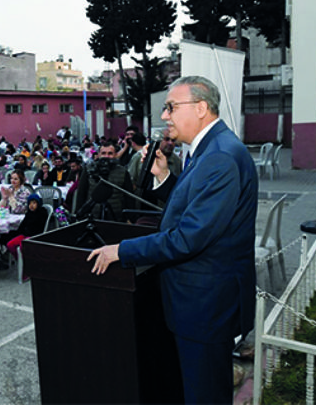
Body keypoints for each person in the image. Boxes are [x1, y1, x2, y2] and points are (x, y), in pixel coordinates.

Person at [87, 76, 258, 404]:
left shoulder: (221, 156)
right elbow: (196, 204)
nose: (164, 116)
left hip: (205, 307)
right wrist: (166, 179)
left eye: (170, 108)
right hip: (200, 302)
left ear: (201, 108)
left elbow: (189, 238)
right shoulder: (209, 148)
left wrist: (121, 251)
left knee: (205, 395)